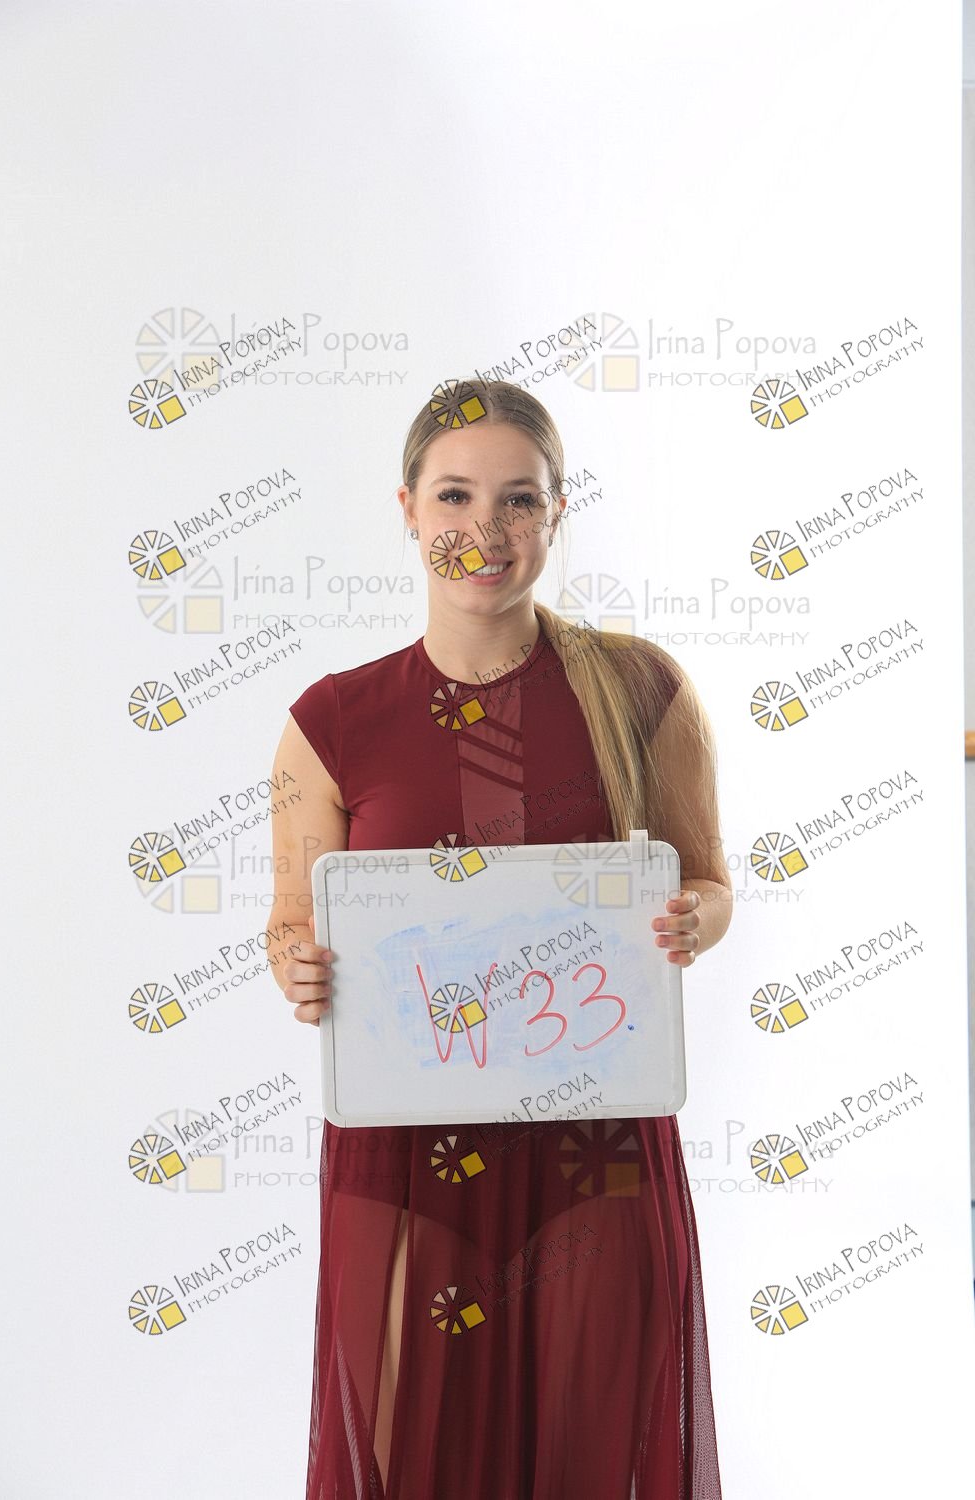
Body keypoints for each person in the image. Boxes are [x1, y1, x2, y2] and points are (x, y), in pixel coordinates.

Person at [268, 378, 733, 1500]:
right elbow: (292, 919)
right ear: (407, 509)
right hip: (404, 1146)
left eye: (519, 498)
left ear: (557, 511)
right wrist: (294, 963)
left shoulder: (641, 689)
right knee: (416, 1455)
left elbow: (708, 883)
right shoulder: (331, 720)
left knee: (589, 1446)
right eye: (455, 496)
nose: (486, 528)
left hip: (594, 1139)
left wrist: (694, 918)